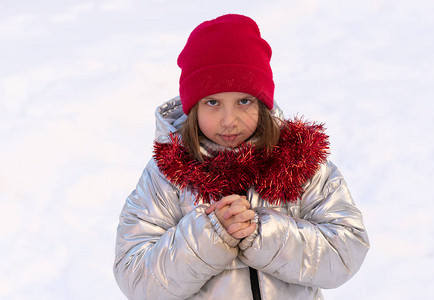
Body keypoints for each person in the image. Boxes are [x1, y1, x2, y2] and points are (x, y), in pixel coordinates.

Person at [113, 14, 369, 300]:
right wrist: (209, 236)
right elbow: (135, 276)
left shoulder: (299, 163)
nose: (229, 120)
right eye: (212, 102)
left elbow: (347, 249)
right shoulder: (168, 175)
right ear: (193, 107)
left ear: (262, 102)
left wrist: (263, 235)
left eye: (243, 101)